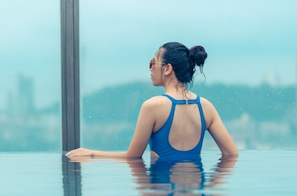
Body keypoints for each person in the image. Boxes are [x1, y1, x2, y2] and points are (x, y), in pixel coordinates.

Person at [65, 42, 238, 161]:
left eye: (153, 63)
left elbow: (132, 156)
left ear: (168, 68)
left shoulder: (153, 107)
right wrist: (208, 190)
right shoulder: (206, 107)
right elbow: (231, 154)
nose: (151, 68)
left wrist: (91, 154)